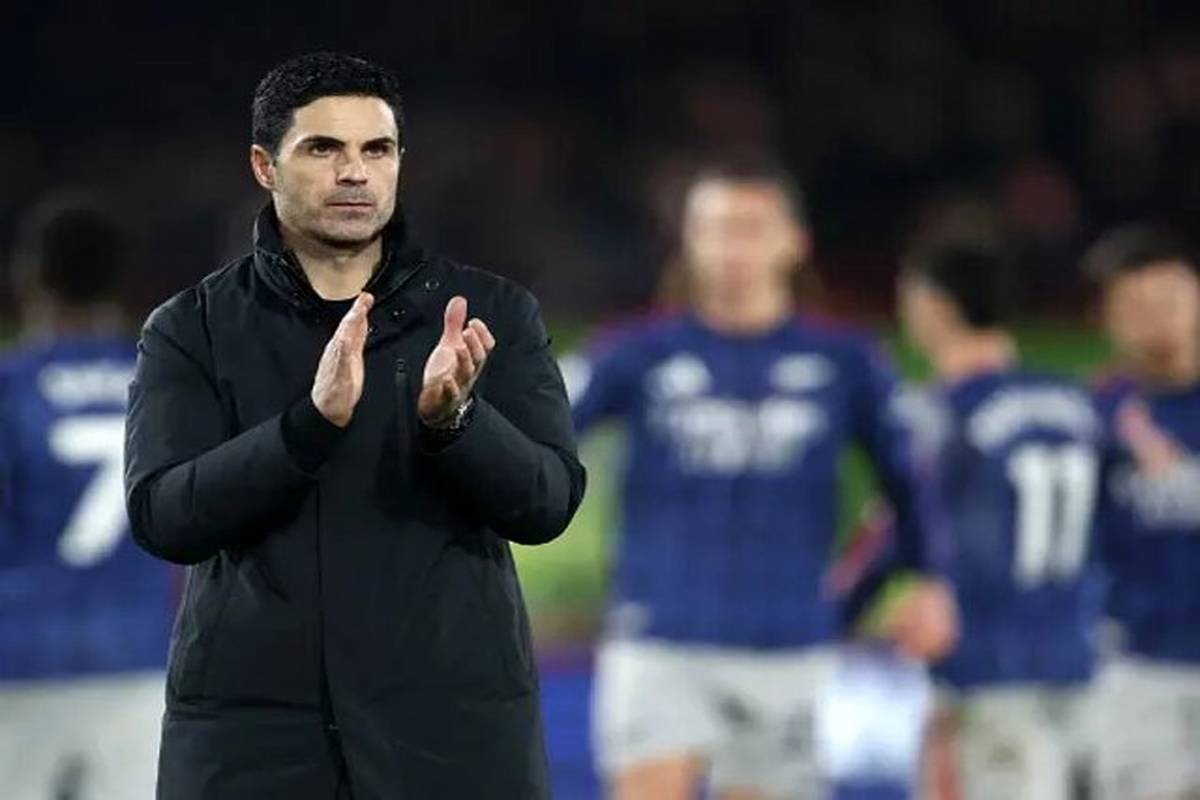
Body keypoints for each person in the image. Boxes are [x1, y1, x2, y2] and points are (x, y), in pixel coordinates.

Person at [123, 52, 585, 799]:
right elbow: (163, 517)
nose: (354, 173)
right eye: (323, 148)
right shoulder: (191, 328)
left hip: (451, 746)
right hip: (254, 746)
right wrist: (306, 428)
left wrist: (457, 422)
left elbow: (547, 504)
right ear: (264, 167)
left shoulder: (490, 313)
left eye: (377, 149)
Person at [564, 160, 955, 800]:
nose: (731, 249)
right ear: (689, 241)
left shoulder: (846, 360)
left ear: (793, 242)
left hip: (788, 646)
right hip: (660, 640)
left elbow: (913, 478)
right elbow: (538, 436)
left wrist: (931, 581)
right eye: (715, 230)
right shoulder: (634, 352)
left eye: (750, 229)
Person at [896, 239, 1105, 800]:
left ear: (932, 306)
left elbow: (904, 526)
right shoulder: (1078, 402)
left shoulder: (939, 410)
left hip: (986, 660)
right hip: (1083, 654)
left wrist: (833, 609)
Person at [0, 196, 172, 799]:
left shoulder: (12, 389)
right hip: (142, 659)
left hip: (20, 660)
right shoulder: (167, 383)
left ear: (29, 277)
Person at [1084, 225, 1200, 800]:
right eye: (1137, 305)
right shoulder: (1093, 417)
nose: (1158, 318)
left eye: (1170, 299)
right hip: (1136, 669)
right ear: (1108, 318)